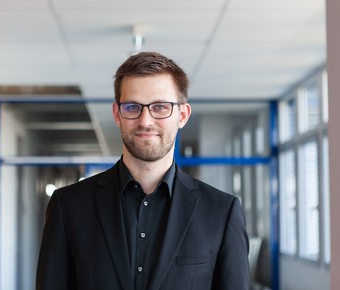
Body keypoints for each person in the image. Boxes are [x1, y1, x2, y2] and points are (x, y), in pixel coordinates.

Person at [36, 51, 250, 290]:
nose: (146, 121)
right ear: (118, 114)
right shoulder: (68, 206)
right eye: (132, 107)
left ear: (182, 115)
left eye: (160, 107)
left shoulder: (221, 212)